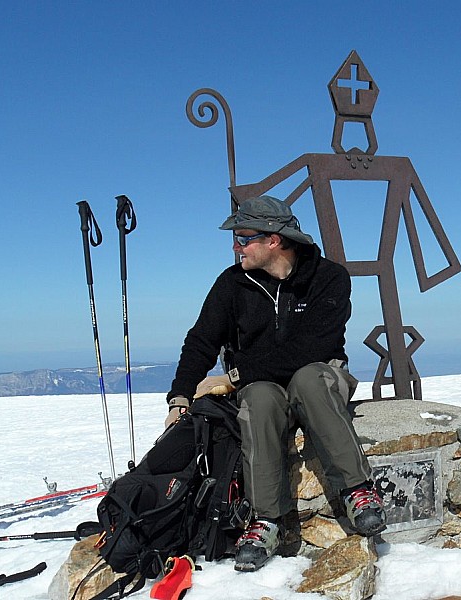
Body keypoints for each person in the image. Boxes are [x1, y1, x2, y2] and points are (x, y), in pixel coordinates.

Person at [165, 194, 386, 572]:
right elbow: (202, 339)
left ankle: (357, 489)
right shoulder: (232, 284)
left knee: (309, 380)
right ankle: (266, 520)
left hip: (318, 374)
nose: (236, 247)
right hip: (262, 385)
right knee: (261, 401)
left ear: (274, 239)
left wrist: (234, 376)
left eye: (243, 237)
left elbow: (311, 347)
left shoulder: (328, 277)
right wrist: (180, 397)